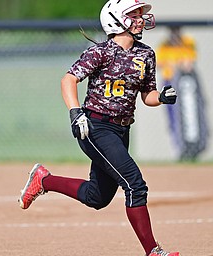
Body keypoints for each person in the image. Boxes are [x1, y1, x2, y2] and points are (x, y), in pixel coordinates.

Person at [19, 0, 179, 255]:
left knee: (97, 197)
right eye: (134, 14)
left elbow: (147, 95)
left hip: (121, 130)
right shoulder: (101, 52)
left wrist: (161, 97)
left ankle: (44, 181)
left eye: (140, 14)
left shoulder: (146, 53)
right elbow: (68, 79)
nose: (140, 19)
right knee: (135, 185)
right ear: (116, 20)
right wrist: (75, 113)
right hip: (94, 127)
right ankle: (153, 251)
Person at [157, 26, 208, 161]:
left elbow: (189, 62)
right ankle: (179, 148)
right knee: (173, 118)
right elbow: (160, 63)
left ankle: (192, 149)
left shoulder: (187, 42)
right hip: (169, 82)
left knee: (189, 115)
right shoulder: (164, 44)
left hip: (183, 84)